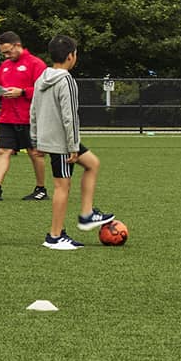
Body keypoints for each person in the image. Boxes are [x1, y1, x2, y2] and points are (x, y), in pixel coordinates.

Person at [28, 35, 112, 250]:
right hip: (62, 142)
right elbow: (70, 116)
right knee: (61, 187)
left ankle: (86, 214)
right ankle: (54, 236)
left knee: (92, 163)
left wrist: (35, 140)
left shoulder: (41, 78)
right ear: (70, 56)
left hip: (49, 138)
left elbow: (33, 111)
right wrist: (73, 146)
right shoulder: (66, 80)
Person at [0, 32, 51, 205]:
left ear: (17, 45)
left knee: (35, 153)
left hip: (30, 118)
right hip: (7, 117)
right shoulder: (5, 66)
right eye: (3, 53)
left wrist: (22, 92)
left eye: (8, 51)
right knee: (3, 151)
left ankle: (41, 189)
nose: (6, 56)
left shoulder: (36, 64)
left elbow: (43, 91)